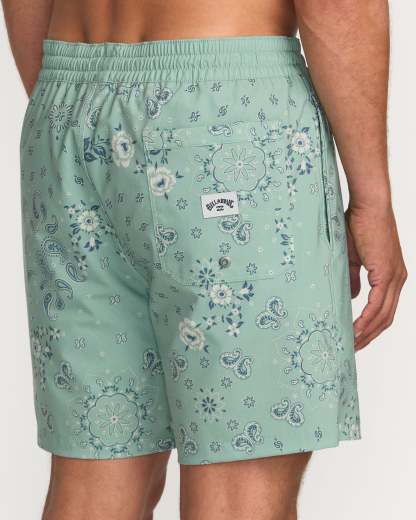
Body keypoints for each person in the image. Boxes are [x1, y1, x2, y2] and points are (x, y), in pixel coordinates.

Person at [2, 1, 407, 519]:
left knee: (92, 477)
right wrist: (373, 198)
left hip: (67, 107)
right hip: (221, 115)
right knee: (240, 486)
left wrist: (89, 115)